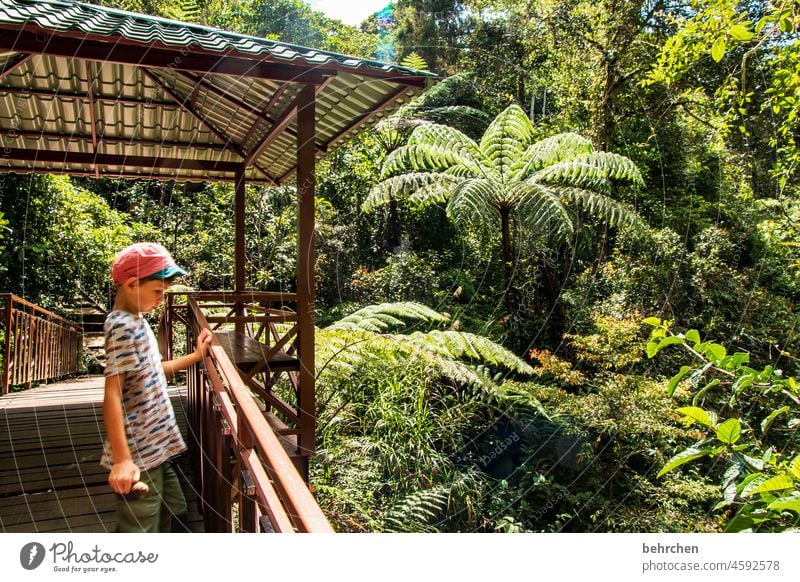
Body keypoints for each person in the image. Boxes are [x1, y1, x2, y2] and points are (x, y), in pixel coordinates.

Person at [102, 242, 212, 533]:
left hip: (155, 448)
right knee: (140, 526)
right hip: (138, 453)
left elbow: (152, 371)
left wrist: (196, 357)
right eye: (157, 292)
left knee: (174, 509)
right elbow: (112, 393)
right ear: (132, 284)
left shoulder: (136, 321)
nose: (161, 300)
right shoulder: (123, 327)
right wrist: (123, 461)